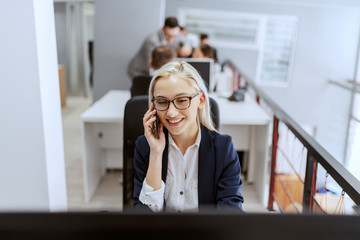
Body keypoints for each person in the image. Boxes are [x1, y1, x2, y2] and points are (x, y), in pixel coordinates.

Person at [133, 61, 244, 212]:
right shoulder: (145, 146)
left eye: (182, 100)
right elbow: (142, 217)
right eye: (162, 102)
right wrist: (156, 154)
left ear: (201, 100)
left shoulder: (223, 149)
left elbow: (231, 215)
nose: (171, 113)